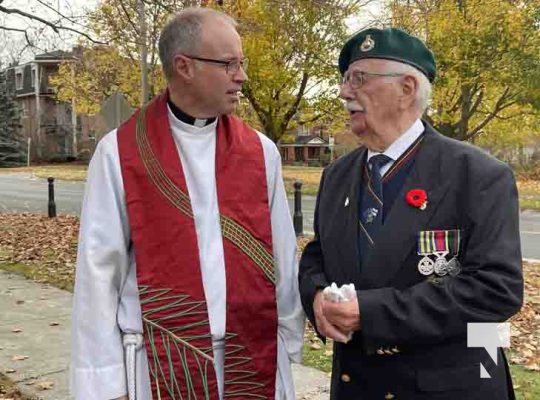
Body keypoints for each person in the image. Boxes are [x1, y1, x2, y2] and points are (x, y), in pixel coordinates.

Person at [70, 7, 304, 400]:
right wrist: (103, 381)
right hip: (159, 363)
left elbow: (281, 252)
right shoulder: (121, 154)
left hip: (249, 353)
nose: (241, 76)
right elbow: (98, 273)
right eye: (229, 64)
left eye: (241, 63)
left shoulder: (260, 152)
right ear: (184, 66)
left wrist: (287, 334)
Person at [298, 27, 523, 400]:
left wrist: (370, 312)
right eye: (344, 79)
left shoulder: (477, 175)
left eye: (359, 79)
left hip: (448, 387)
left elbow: (496, 291)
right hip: (357, 386)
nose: (343, 92)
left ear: (406, 89)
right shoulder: (336, 176)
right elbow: (318, 256)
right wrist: (318, 296)